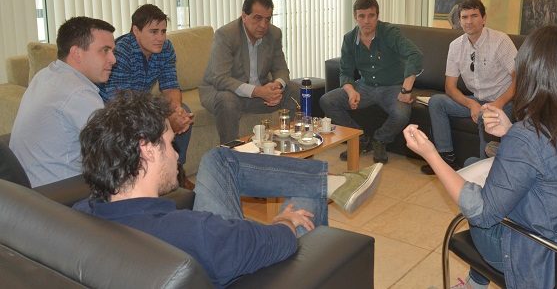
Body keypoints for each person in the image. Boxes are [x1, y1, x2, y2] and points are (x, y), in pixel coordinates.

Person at [73, 90, 383, 288]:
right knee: (301, 207)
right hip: (236, 271)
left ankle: (334, 183)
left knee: (218, 159)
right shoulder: (199, 233)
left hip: (203, 256)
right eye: (169, 144)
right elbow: (276, 242)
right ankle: (330, 185)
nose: (177, 155)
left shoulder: (80, 216)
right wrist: (284, 223)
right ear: (148, 150)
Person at [403, 25, 557, 289]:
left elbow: (482, 214)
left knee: (478, 204)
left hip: (536, 253)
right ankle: (475, 284)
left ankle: (473, 284)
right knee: (476, 165)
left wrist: (431, 155)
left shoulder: (529, 136)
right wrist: (510, 133)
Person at [10, 16, 116, 187]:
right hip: (61, 196)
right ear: (76, 53)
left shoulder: (46, 74)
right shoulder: (78, 92)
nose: (113, 59)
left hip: (27, 193)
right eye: (105, 50)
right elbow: (116, 151)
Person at [98, 4, 194, 187]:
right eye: (154, 31)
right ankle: (146, 176)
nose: (160, 38)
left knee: (185, 112)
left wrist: (176, 111)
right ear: (136, 30)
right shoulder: (120, 52)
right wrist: (164, 121)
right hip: (112, 107)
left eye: (163, 31)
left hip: (140, 101)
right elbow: (122, 102)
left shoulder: (166, 48)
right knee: (155, 121)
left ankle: (176, 170)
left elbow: (170, 86)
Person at [320, 0, 423, 164]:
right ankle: (359, 139)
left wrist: (406, 89)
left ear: (377, 16)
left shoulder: (390, 33)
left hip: (392, 87)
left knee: (401, 113)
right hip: (365, 86)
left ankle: (380, 140)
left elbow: (415, 55)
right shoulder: (349, 39)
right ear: (355, 17)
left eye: (371, 16)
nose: (367, 21)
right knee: (327, 100)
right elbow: (345, 71)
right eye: (362, 16)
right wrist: (351, 90)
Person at [421, 0, 516, 175]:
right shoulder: (456, 46)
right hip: (476, 100)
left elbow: (519, 78)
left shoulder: (500, 41)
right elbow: (450, 87)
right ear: (459, 20)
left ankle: (484, 169)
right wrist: (471, 104)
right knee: (437, 102)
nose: (469, 21)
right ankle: (446, 159)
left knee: (485, 116)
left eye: (474, 16)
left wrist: (499, 103)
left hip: (503, 101)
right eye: (464, 17)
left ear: (484, 18)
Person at [199, 0, 300, 144]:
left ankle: (289, 144)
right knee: (227, 101)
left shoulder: (274, 34)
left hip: (260, 93)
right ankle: (231, 154)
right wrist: (258, 92)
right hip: (226, 92)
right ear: (244, 16)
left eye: (267, 19)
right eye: (257, 18)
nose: (263, 25)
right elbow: (220, 79)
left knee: (294, 89)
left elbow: (282, 69)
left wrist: (276, 85)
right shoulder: (226, 35)